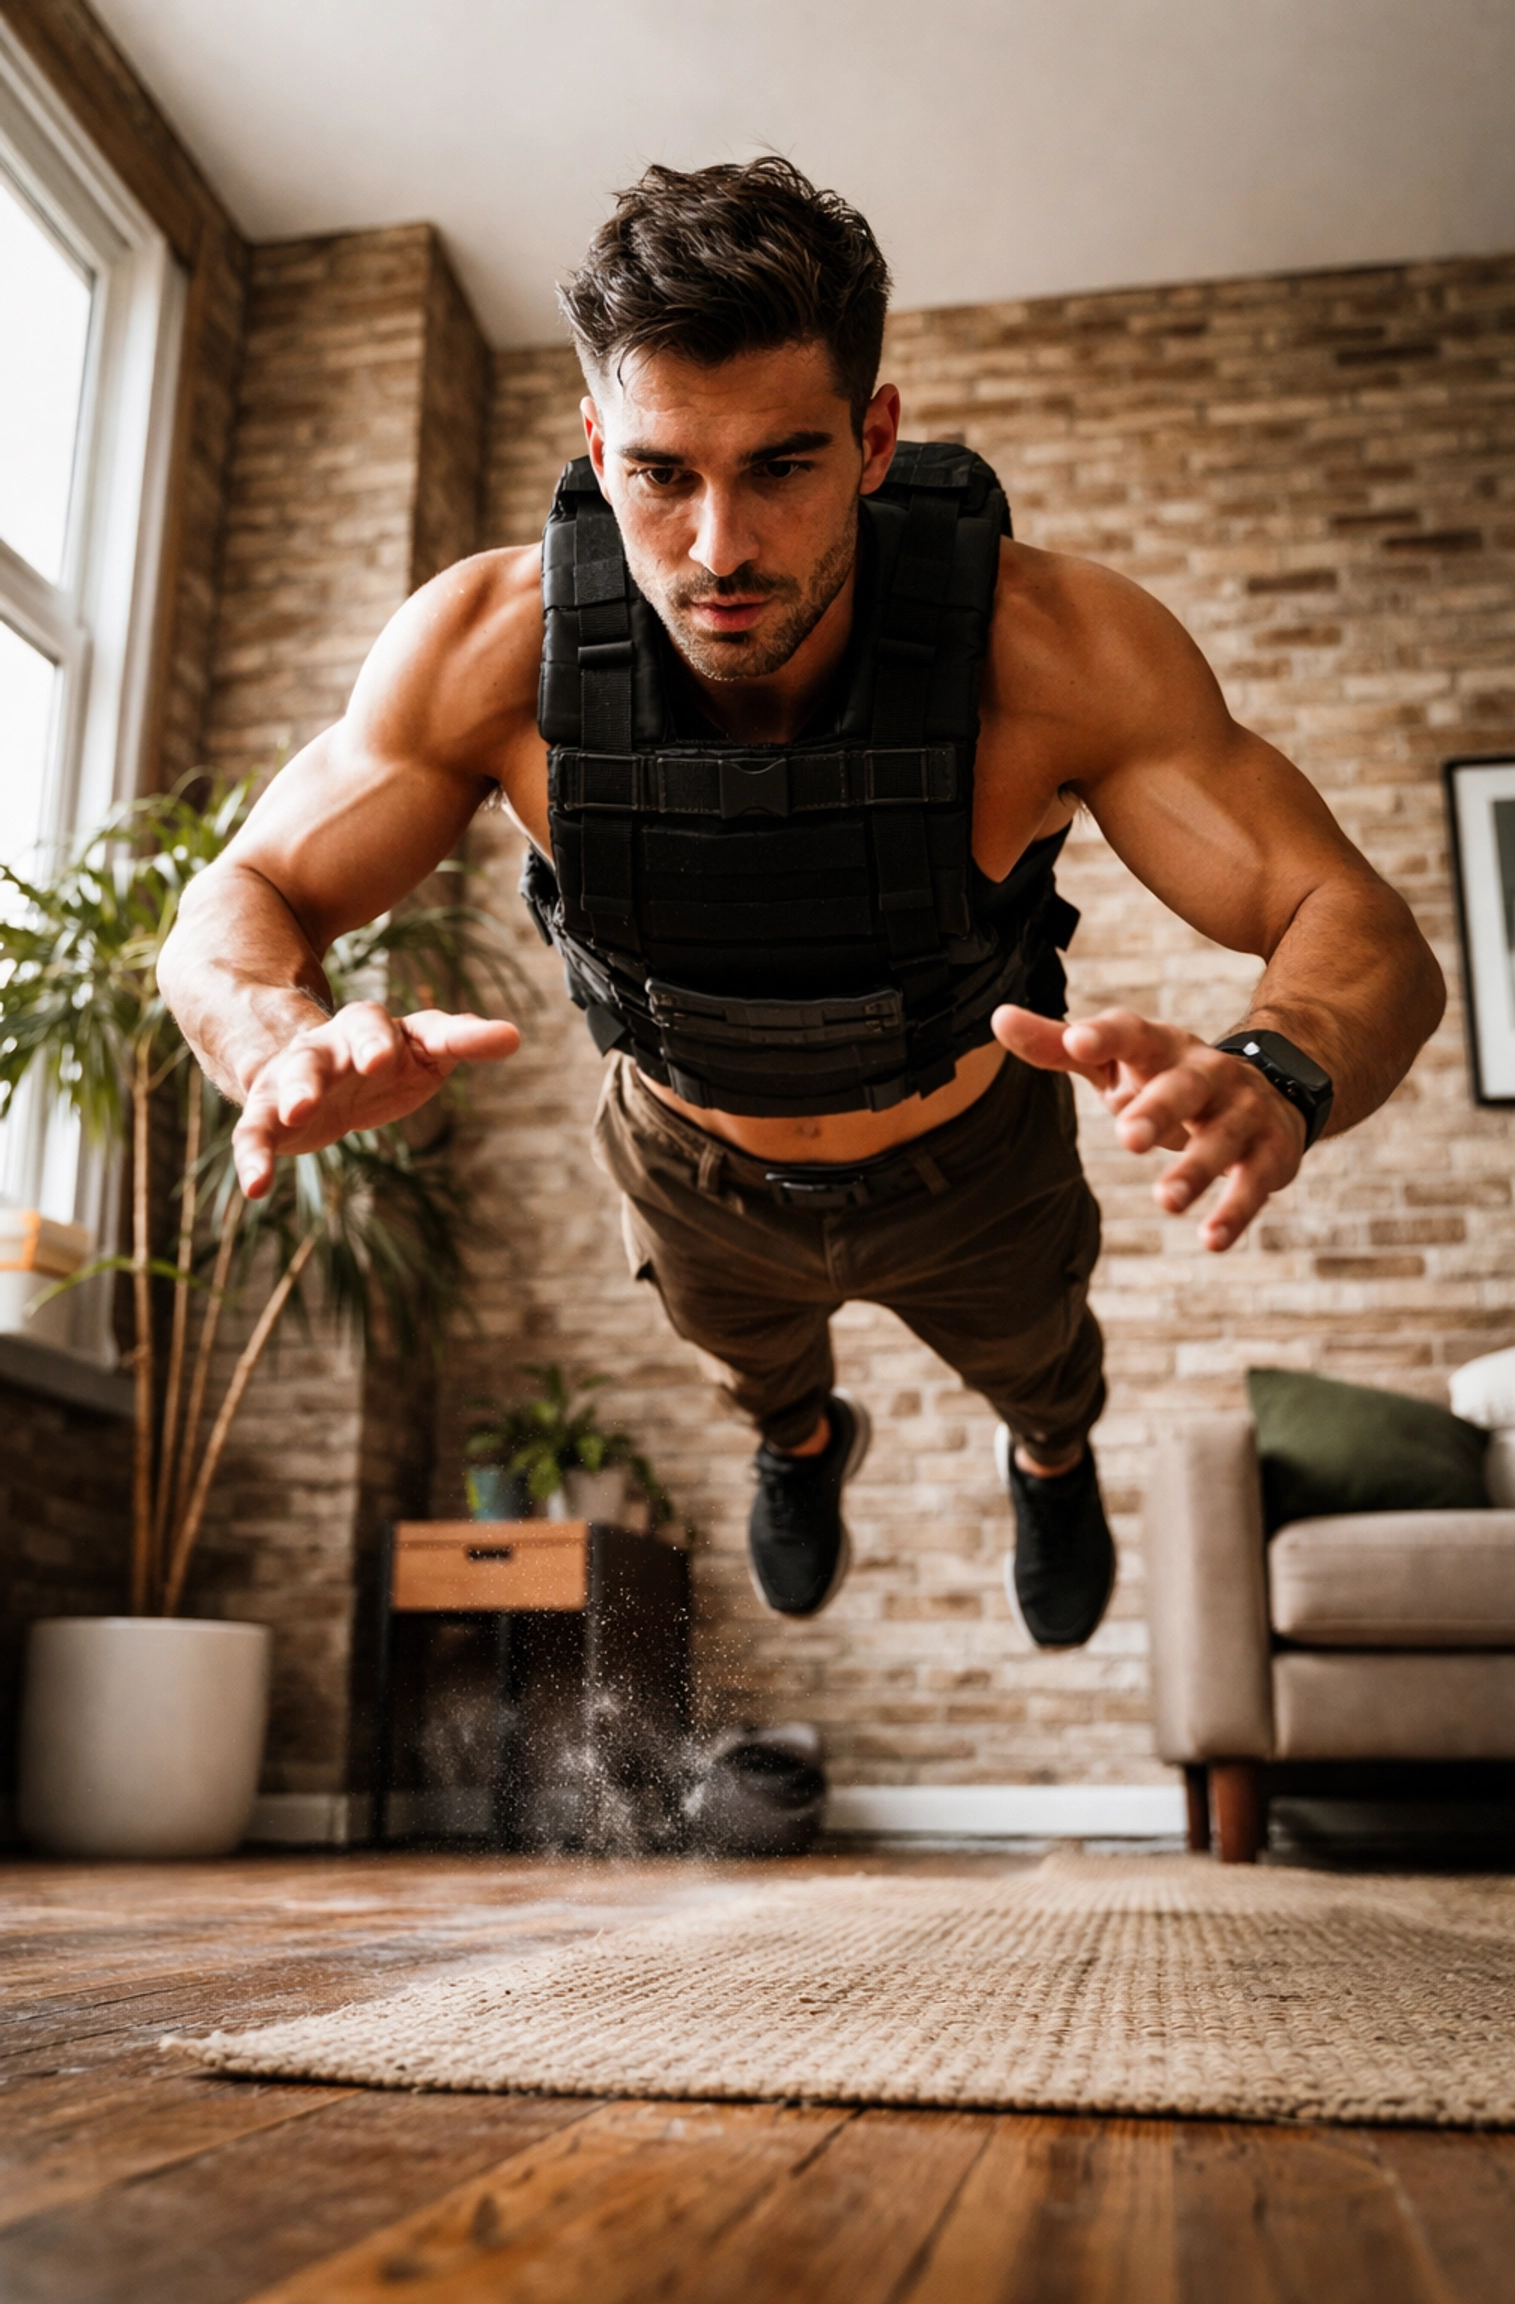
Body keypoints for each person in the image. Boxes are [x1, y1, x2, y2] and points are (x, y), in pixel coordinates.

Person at [160, 159, 1444, 1653]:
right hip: (692, 1161)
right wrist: (274, 1041)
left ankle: (1048, 1457)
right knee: (750, 1363)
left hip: (972, 1159)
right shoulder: (486, 649)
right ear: (594, 442)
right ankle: (802, 1442)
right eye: (660, 473)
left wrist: (1282, 1067)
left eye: (781, 466)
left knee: (1042, 1364)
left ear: (874, 436)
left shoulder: (1054, 647)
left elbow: (1357, 923)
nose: (719, 549)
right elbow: (238, 896)